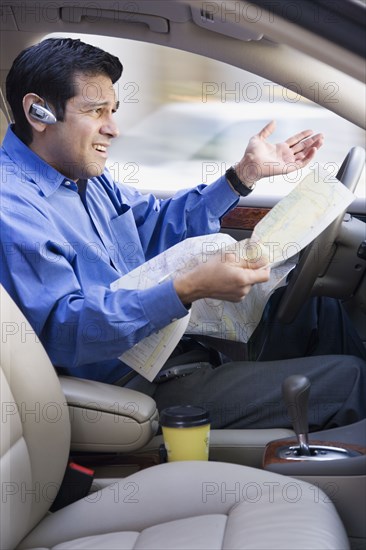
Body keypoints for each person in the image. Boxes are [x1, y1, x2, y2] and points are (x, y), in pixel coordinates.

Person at [1, 37, 365, 430]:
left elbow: (158, 226)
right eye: (95, 111)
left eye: (114, 111)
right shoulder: (13, 206)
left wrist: (243, 176)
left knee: (315, 305)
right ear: (38, 113)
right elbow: (65, 329)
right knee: (350, 381)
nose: (114, 129)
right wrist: (184, 290)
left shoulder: (87, 177)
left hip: (171, 347)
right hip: (132, 385)